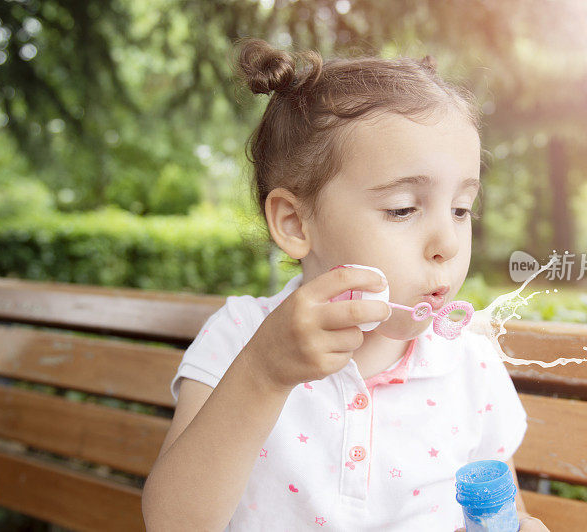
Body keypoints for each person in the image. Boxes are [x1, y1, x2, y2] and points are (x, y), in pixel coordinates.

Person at [142, 37, 549, 531]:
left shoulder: (470, 364)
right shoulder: (241, 336)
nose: (447, 242)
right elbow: (172, 523)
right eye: (402, 209)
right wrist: (263, 373)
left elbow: (505, 509)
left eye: (461, 209)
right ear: (294, 223)